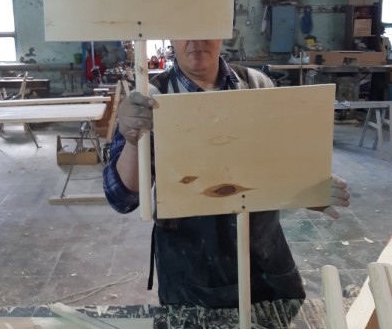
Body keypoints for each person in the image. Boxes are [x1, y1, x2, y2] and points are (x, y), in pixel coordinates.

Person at [103, 39, 350, 308]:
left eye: (205, 26)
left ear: (223, 30)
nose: (195, 39)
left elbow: (276, 165)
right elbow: (123, 199)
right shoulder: (151, 99)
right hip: (191, 270)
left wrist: (307, 189)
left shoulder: (257, 85)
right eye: (184, 29)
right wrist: (133, 140)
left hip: (266, 259)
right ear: (171, 36)